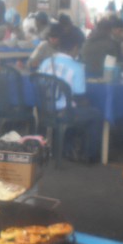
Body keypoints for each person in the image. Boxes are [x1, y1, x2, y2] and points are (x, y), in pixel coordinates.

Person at [38, 25, 103, 163]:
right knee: (96, 114)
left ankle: (66, 148)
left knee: (80, 109)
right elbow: (79, 97)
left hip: (45, 110)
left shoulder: (45, 63)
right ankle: (89, 156)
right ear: (75, 48)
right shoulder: (76, 68)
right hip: (65, 113)